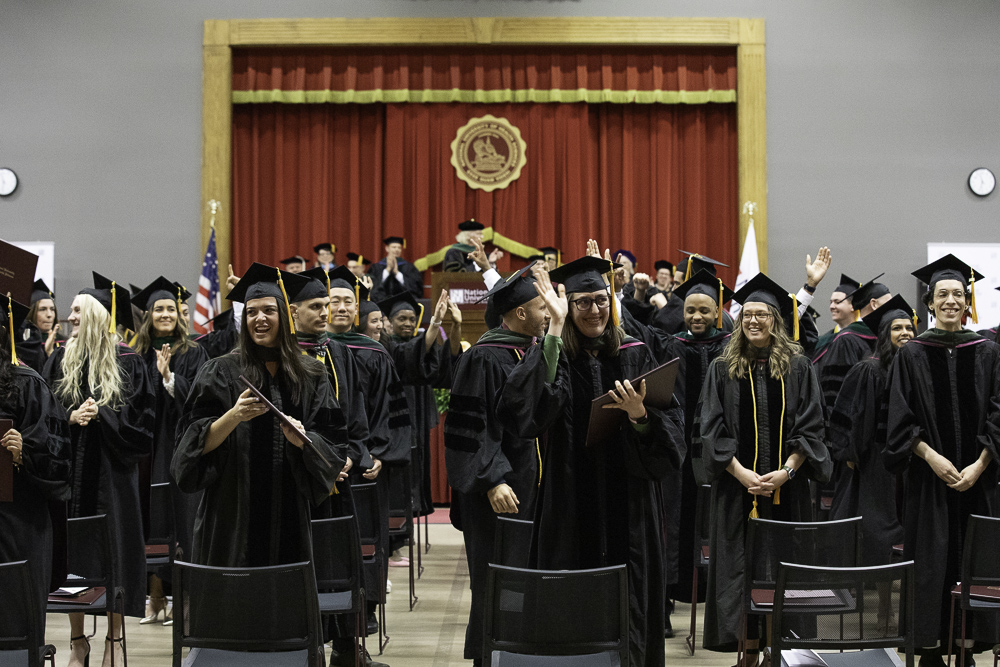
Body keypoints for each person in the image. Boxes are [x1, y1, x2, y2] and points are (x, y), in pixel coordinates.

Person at [498, 257, 685, 667]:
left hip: (631, 503)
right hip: (569, 499)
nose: (594, 310)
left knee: (631, 604)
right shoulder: (555, 354)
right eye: (582, 302)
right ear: (568, 307)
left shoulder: (635, 352)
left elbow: (672, 432)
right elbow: (524, 413)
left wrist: (640, 416)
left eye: (601, 300)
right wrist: (553, 327)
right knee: (569, 604)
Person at [172, 263, 345, 570]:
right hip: (231, 517)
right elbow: (188, 453)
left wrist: (303, 439)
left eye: (268, 310)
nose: (259, 318)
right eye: (251, 312)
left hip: (290, 513)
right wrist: (234, 416)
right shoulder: (220, 371)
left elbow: (332, 444)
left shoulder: (311, 374)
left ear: (285, 316)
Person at [699, 272, 830, 657]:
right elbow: (710, 428)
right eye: (747, 315)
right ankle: (749, 650)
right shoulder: (721, 367)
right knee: (739, 569)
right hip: (736, 492)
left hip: (788, 491)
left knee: (785, 564)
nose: (753, 321)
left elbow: (812, 425)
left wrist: (786, 472)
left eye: (762, 314)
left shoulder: (798, 366)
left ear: (776, 319)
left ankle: (780, 652)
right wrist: (742, 474)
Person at [885, 255, 1000, 666]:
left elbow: (998, 414)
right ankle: (931, 650)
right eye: (942, 294)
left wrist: (980, 465)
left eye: (957, 294)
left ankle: (967, 647)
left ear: (967, 301)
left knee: (973, 561)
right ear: (930, 303)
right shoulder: (912, 354)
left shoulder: (988, 352)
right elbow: (899, 419)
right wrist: (932, 457)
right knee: (931, 565)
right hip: (929, 484)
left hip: (978, 483)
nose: (950, 301)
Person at [43, 273, 155, 667]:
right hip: (70, 477)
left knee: (115, 556)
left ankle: (114, 640)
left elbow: (143, 430)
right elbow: (43, 415)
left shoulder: (129, 362)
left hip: (113, 480)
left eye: (77, 310)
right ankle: (78, 641)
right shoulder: (60, 359)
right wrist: (70, 418)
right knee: (73, 557)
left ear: (95, 315)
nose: (70, 316)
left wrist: (104, 414)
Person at [446, 264, 547, 666]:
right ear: (520, 312)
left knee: (522, 579)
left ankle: (518, 656)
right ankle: (488, 658)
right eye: (542, 307)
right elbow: (470, 427)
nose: (548, 313)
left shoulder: (533, 352)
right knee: (495, 581)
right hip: (498, 491)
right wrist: (492, 479)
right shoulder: (483, 357)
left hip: (529, 488)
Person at [326, 265, 410, 636]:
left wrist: (378, 453)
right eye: (334, 301)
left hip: (365, 465)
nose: (342, 307)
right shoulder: (306, 352)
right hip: (323, 467)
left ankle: (366, 611)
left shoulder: (374, 352)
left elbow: (390, 410)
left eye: (349, 301)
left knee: (367, 540)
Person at [130, 276, 210, 624]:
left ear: (179, 314)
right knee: (152, 522)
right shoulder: (136, 354)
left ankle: (186, 596)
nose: (165, 314)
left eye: (171, 309)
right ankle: (155, 596)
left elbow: (202, 397)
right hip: (147, 449)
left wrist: (169, 379)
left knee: (185, 522)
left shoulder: (193, 352)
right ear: (148, 315)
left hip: (181, 446)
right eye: (159, 309)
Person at [663, 269, 734, 634]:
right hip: (677, 456)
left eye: (704, 310)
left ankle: (719, 605)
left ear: (717, 312)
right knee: (672, 524)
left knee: (716, 524)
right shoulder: (670, 345)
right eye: (690, 310)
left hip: (717, 455)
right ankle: (664, 601)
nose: (696, 317)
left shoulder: (731, 348)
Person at [0, 296, 71, 649]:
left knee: (15, 620)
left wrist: (23, 452)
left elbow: (58, 458)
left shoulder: (28, 383)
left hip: (18, 523)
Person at [828, 295, 911, 570]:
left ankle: (893, 577)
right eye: (897, 328)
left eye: (909, 328)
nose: (905, 333)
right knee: (870, 521)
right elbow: (848, 416)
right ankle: (867, 580)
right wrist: (851, 454)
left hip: (904, 461)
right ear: (885, 334)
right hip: (870, 462)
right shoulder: (869, 369)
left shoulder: (912, 369)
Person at [379, 291, 454, 523]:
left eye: (412, 319)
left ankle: (413, 511)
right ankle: (398, 526)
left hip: (417, 418)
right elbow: (410, 352)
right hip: (397, 421)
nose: (408, 323)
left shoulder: (417, 346)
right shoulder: (386, 347)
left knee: (418, 465)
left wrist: (450, 326)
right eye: (402, 318)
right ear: (389, 321)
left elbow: (437, 368)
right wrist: (436, 322)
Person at [15, 279, 65, 373]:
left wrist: (50, 353)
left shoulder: (63, 343)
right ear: (31, 312)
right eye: (42, 309)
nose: (49, 315)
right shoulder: (24, 346)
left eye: (52, 309)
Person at [812, 274, 861, 358]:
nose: (831, 307)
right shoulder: (824, 341)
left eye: (837, 302)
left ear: (853, 305)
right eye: (831, 302)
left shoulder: (866, 335)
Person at [366, 236, 423, 300]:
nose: (397, 249)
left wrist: (397, 273)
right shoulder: (376, 267)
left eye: (399, 247)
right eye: (394, 247)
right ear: (387, 248)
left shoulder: (409, 267)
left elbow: (416, 288)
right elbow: (371, 287)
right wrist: (387, 271)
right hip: (380, 301)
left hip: (403, 301)